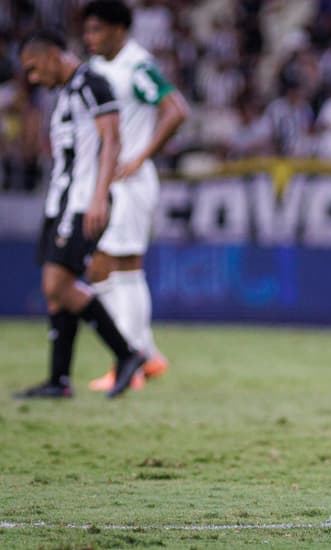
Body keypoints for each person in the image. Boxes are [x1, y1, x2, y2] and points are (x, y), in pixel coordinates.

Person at [14, 30, 146, 399]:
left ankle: (128, 353)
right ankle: (59, 380)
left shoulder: (92, 83)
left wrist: (99, 196)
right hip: (60, 202)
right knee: (54, 292)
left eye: (35, 68)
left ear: (54, 55)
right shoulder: (67, 93)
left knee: (58, 285)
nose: (33, 78)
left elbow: (112, 140)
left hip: (83, 201)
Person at [80, 0, 189, 392]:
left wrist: (140, 157)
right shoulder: (98, 67)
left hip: (128, 181)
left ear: (117, 30)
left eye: (96, 30)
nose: (88, 37)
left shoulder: (136, 65)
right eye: (86, 30)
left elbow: (175, 109)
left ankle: (128, 362)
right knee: (114, 269)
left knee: (114, 266)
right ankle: (145, 353)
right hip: (108, 180)